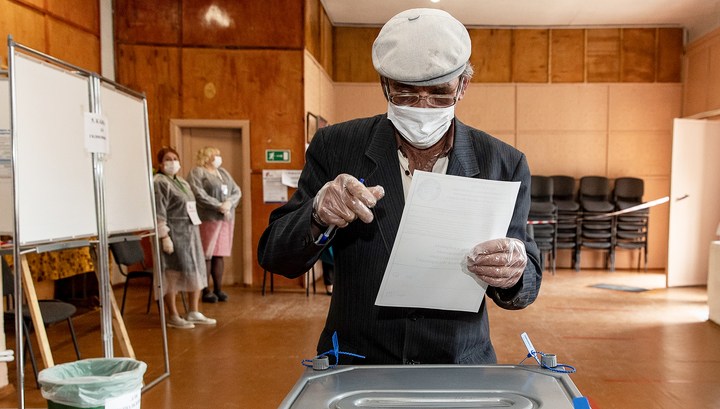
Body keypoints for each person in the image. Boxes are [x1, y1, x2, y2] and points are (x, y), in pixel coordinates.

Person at [257, 8, 541, 364]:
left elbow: (527, 277)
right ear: (384, 86)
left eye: (439, 94)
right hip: (358, 363)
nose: (422, 108)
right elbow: (274, 254)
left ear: (463, 86)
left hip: (458, 366)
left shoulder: (502, 162)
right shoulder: (335, 146)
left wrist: (513, 273)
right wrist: (316, 213)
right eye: (405, 95)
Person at [154, 146, 217, 329]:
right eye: (168, 159)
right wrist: (164, 235)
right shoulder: (160, 182)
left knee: (194, 269)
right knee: (172, 273)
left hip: (190, 232)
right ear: (160, 162)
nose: (172, 162)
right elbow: (159, 211)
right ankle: (173, 315)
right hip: (173, 232)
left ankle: (193, 311)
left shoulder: (181, 182)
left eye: (175, 158)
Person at [187, 147, 242, 303]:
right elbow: (198, 194)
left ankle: (218, 289)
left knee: (219, 254)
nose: (218, 157)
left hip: (225, 219)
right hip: (207, 219)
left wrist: (229, 203)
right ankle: (205, 289)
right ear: (207, 156)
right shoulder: (197, 173)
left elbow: (236, 190)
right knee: (206, 255)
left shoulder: (222, 173)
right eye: (215, 155)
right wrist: (218, 205)